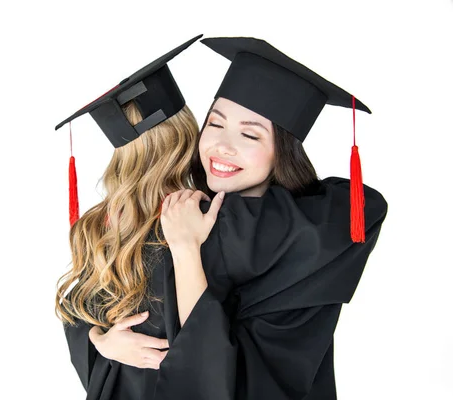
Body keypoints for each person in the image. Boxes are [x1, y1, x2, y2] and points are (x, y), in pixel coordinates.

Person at [150, 37, 388, 399]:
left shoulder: (313, 242)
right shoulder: (184, 211)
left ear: (284, 152)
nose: (222, 146)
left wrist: (185, 248)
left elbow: (206, 370)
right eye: (215, 124)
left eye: (249, 134)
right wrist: (101, 342)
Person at [53, 35, 208, 400]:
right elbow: (81, 313)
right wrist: (101, 341)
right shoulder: (202, 218)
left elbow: (77, 308)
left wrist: (99, 343)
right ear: (187, 132)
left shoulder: (100, 225)